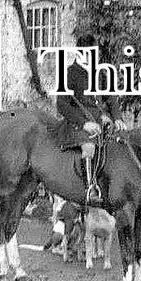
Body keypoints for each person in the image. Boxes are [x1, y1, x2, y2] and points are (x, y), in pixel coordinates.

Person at [56, 34, 126, 201]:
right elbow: (62, 104)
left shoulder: (100, 72)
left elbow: (110, 97)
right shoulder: (70, 73)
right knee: (89, 148)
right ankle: (90, 188)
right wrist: (84, 123)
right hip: (78, 124)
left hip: (99, 120)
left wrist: (117, 117)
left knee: (120, 142)